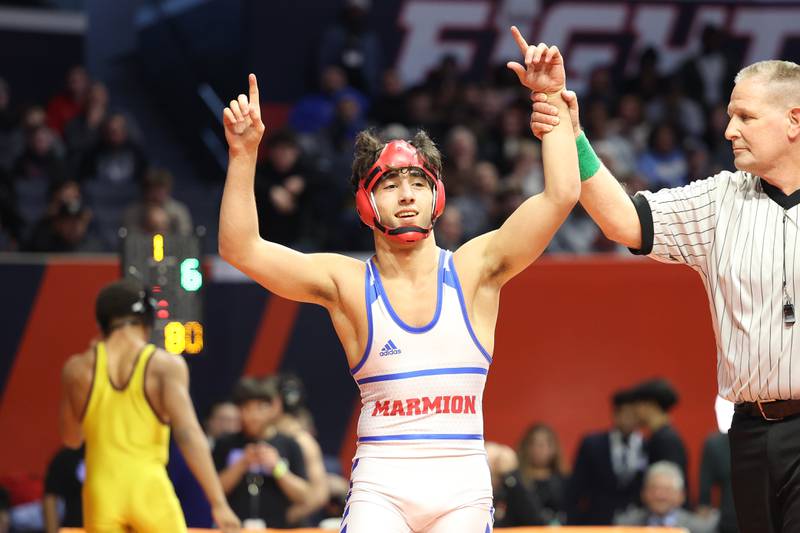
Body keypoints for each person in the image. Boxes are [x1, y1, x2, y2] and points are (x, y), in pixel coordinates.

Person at [217, 25, 579, 532]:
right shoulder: (345, 283)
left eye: (417, 182)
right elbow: (241, 248)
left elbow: (560, 196)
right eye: (390, 184)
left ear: (437, 198)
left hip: (462, 492)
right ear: (367, 203)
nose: (406, 194)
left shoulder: (474, 268)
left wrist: (551, 103)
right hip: (381, 489)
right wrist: (243, 154)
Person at [528, 55, 800, 533]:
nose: (729, 130)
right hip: (749, 433)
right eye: (730, 115)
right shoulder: (720, 201)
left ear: (794, 120)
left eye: (746, 117)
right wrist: (573, 135)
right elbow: (623, 220)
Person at [59, 279, 240, 533]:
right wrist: (218, 503)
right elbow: (188, 434)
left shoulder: (77, 368)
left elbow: (71, 439)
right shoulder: (164, 366)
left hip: (101, 492)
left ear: (101, 324)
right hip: (149, 490)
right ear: (147, 321)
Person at [566, 388, 646, 525]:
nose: (629, 419)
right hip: (597, 519)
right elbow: (576, 486)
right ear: (615, 415)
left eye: (634, 415)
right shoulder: (593, 444)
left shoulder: (646, 445)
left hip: (635, 521)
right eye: (625, 414)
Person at [615, 462, 717, 533]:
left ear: (681, 496)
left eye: (667, 490)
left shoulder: (700, 529)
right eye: (654, 489)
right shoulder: (626, 525)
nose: (659, 495)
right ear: (643, 493)